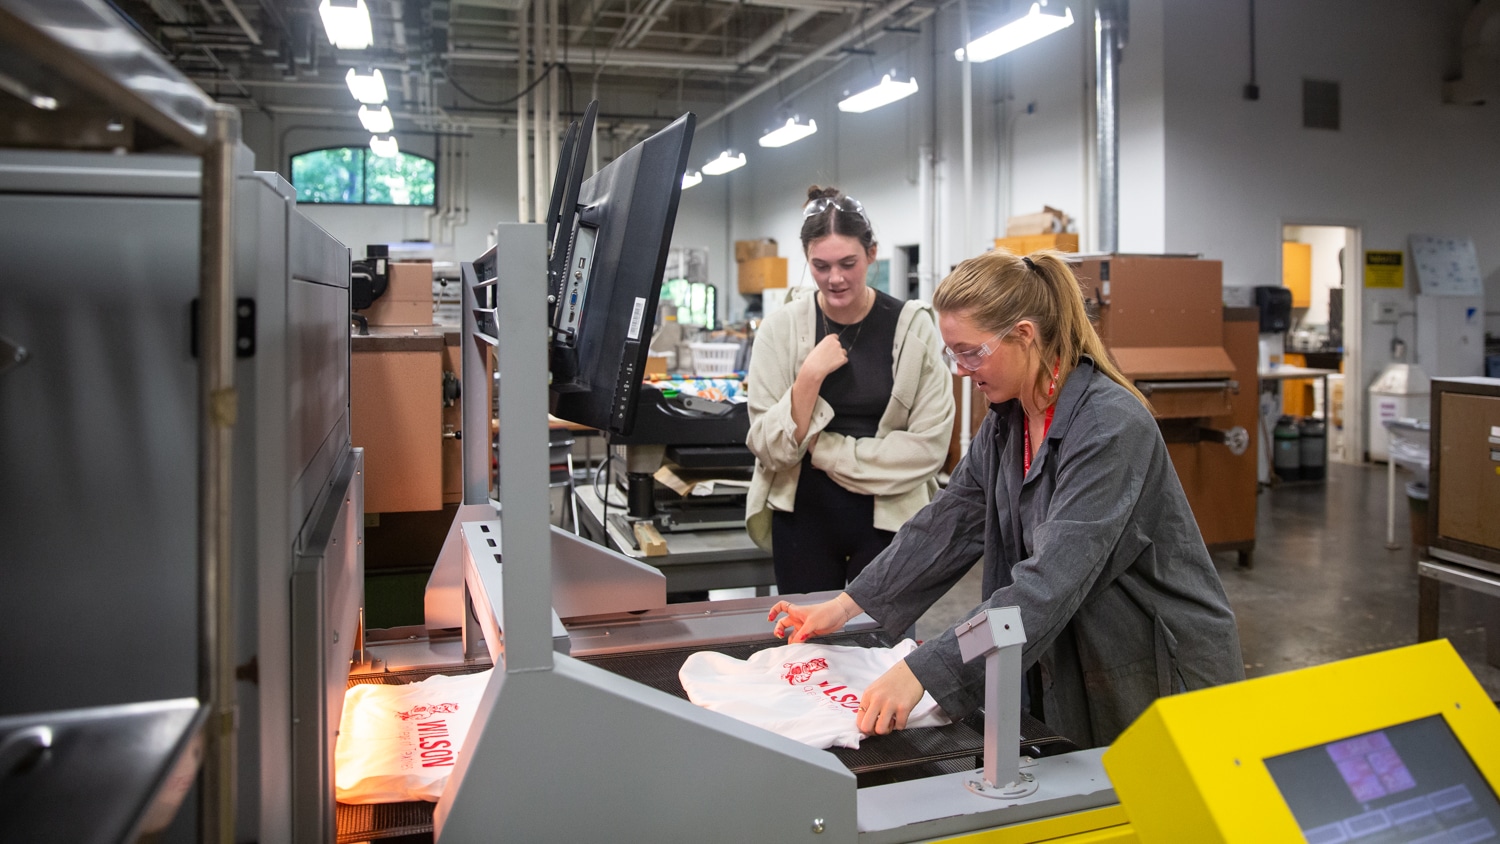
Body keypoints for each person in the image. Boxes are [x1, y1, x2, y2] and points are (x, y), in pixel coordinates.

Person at [768, 249, 1244, 748]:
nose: (961, 369)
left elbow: (1047, 585)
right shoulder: (1007, 421)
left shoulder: (1109, 427)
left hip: (1156, 666)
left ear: (1024, 334)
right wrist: (847, 605)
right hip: (1076, 650)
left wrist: (926, 670)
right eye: (953, 354)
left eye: (971, 352)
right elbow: (947, 524)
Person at [745, 186, 954, 594]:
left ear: (872, 253)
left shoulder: (913, 330)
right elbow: (767, 447)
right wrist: (808, 378)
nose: (835, 278)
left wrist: (823, 449)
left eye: (848, 263)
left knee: (881, 636)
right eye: (820, 266)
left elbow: (928, 448)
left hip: (889, 522)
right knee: (804, 634)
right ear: (806, 258)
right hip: (802, 521)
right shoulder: (780, 329)